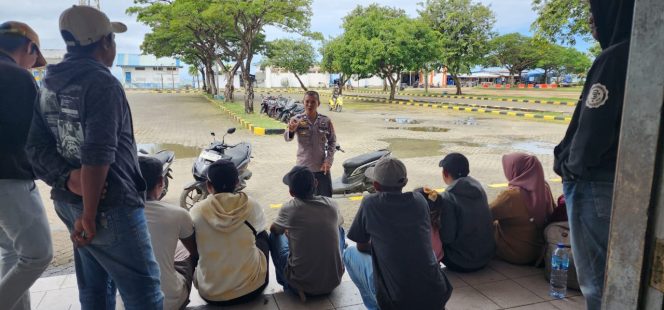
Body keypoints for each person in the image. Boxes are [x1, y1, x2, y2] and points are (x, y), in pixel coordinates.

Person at [26, 5, 163, 309]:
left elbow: (35, 147)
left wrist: (68, 180)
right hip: (109, 208)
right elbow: (98, 152)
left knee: (95, 288)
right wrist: (89, 213)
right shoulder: (102, 82)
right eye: (112, 39)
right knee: (145, 293)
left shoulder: (48, 81)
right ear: (105, 42)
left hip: (68, 203)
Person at [553, 0, 634, 308]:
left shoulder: (614, 58)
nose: (589, 19)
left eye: (594, 11)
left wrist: (571, 167)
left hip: (594, 184)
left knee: (596, 283)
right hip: (619, 182)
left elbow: (592, 130)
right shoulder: (640, 54)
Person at [345, 157, 452, 310]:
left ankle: (375, 306)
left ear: (375, 185)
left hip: (398, 302)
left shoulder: (370, 204)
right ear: (405, 182)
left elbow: (361, 246)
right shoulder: (420, 201)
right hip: (438, 293)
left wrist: (383, 249)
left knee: (349, 253)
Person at [0, 21, 52, 310]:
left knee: (12, 251)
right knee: (38, 255)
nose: (34, 65)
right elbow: (36, 135)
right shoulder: (16, 77)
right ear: (29, 47)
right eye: (35, 59)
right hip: (8, 177)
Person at [189, 159, 269, 306]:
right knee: (263, 236)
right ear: (238, 182)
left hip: (211, 295)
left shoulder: (196, 211)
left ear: (208, 186)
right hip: (253, 289)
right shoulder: (251, 205)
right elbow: (261, 230)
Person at [269, 166, 345, 301]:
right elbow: (338, 223)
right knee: (339, 229)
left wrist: (288, 232)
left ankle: (285, 282)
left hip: (301, 286)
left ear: (291, 192)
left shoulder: (289, 208)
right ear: (316, 183)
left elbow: (274, 229)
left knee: (273, 236)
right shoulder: (332, 204)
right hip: (333, 282)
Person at [139, 157, 198, 310]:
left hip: (129, 302)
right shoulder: (178, 214)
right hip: (171, 302)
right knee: (184, 254)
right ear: (160, 182)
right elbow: (195, 252)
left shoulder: (117, 217)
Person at [431, 153, 495, 272]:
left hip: (462, 262)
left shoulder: (448, 198)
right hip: (486, 257)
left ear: (445, 174)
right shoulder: (479, 188)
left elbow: (447, 237)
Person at [490, 153, 554, 265]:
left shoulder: (511, 196)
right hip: (539, 251)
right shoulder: (543, 188)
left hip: (515, 253)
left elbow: (486, 214)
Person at [285, 90, 337, 197]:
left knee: (325, 199)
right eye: (307, 101)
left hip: (322, 169)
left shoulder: (325, 121)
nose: (309, 105)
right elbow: (287, 138)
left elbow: (332, 141)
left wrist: (328, 161)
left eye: (313, 102)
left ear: (318, 103)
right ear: (303, 102)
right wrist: (290, 130)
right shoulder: (296, 120)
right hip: (303, 169)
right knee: (303, 201)